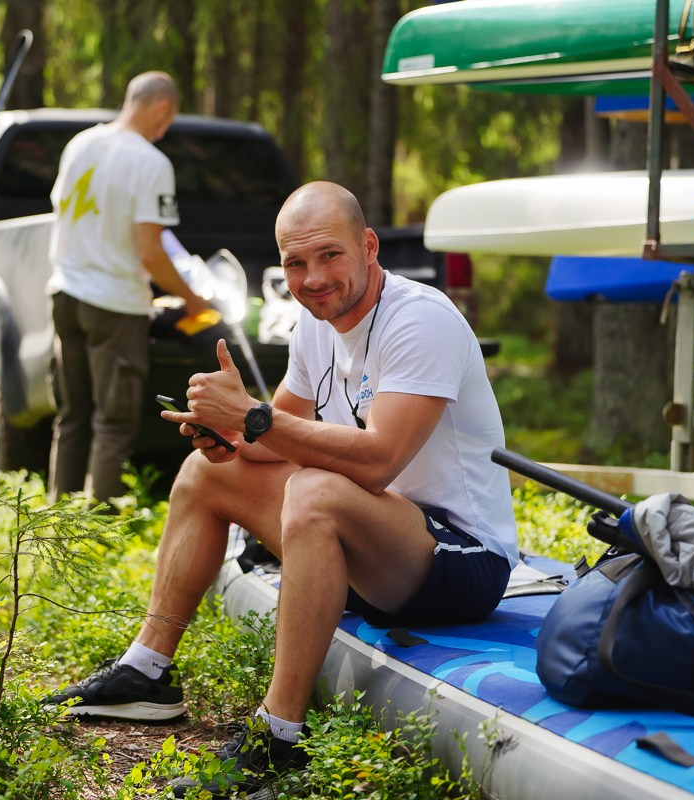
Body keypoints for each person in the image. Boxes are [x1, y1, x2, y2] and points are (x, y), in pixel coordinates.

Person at [45, 181, 519, 797]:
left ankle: (279, 739)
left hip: (461, 561)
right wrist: (225, 433)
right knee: (209, 472)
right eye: (295, 262)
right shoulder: (315, 323)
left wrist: (251, 418)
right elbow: (271, 437)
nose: (313, 277)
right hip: (379, 539)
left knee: (316, 492)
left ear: (369, 246)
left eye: (329, 255)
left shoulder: (420, 320)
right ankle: (147, 672)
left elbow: (376, 461)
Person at [46, 70, 211, 503]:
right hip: (114, 306)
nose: (164, 132)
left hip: (65, 294)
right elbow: (150, 253)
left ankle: (51, 531)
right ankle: (97, 537)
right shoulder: (150, 163)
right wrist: (195, 302)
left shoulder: (80, 145)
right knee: (113, 423)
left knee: (72, 416)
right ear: (162, 108)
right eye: (167, 121)